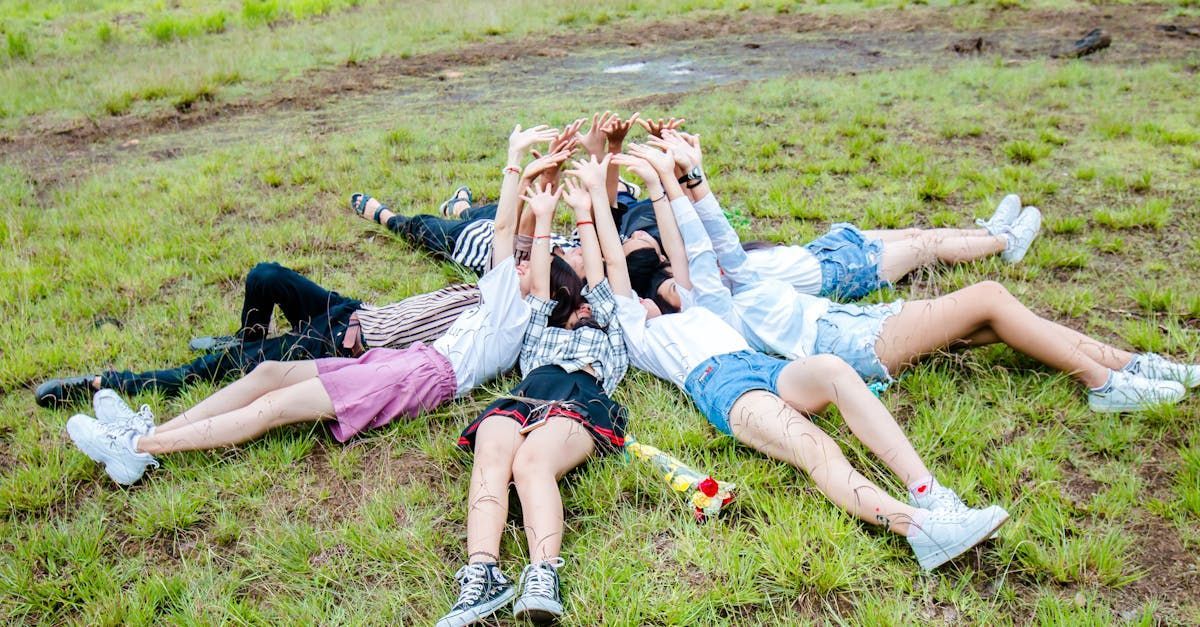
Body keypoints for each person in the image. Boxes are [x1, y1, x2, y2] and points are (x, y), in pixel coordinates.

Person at [62, 124, 572, 486]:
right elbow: (523, 236)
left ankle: (136, 449)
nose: (518, 263)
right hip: (402, 361)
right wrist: (544, 177)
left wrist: (515, 158)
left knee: (273, 408)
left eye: (532, 265)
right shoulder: (510, 304)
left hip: (415, 375)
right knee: (268, 376)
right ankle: (148, 433)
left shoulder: (513, 312)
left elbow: (508, 231)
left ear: (541, 286)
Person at [604, 149, 1008, 571]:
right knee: (815, 447)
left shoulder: (698, 303)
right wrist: (595, 196)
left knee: (833, 370)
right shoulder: (638, 335)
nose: (641, 299)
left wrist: (662, 182)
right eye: (633, 297)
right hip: (722, 386)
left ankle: (930, 492)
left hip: (759, 364)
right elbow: (613, 263)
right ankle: (922, 530)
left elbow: (693, 248)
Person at [632, 133, 1198, 412]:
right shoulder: (713, 307)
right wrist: (664, 182)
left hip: (852, 325)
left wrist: (689, 174)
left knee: (993, 323)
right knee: (989, 297)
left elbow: (716, 240)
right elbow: (700, 252)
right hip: (849, 342)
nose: (675, 283)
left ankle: (1134, 364)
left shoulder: (737, 280)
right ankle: (1103, 386)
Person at [438, 164, 628, 627]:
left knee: (531, 464)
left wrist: (584, 213)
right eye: (580, 300)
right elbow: (541, 281)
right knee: (491, 454)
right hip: (525, 394)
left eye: (592, 301)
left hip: (579, 395)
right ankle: (483, 573)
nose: (588, 304)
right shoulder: (540, 326)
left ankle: (543, 574)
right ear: (566, 301)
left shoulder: (610, 324)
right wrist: (542, 217)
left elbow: (603, 268)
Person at [34, 261, 481, 407]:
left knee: (216, 367)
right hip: (352, 310)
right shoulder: (495, 279)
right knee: (264, 277)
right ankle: (248, 341)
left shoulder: (497, 323)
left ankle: (105, 383)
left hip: (345, 345)